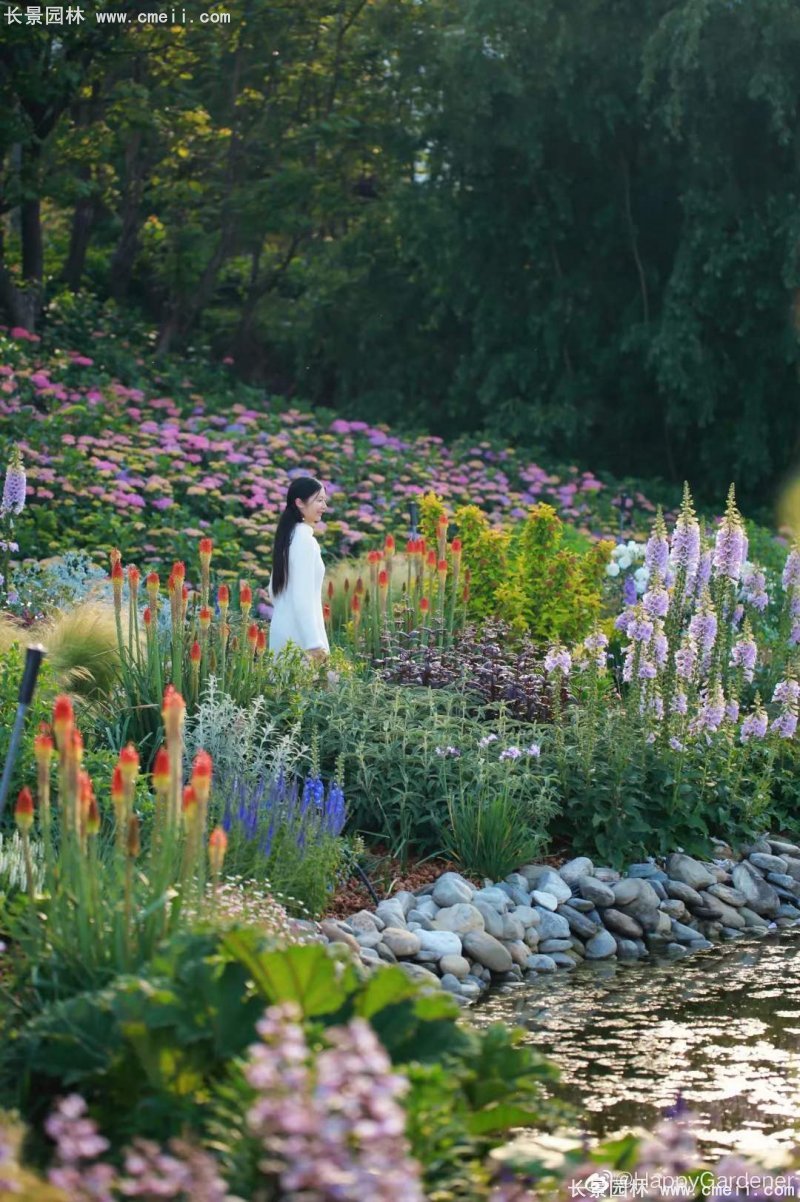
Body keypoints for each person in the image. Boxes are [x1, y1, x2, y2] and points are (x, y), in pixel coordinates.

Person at [268, 477, 330, 662]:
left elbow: (273, 591)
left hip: (282, 629)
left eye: (324, 500)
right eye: (319, 500)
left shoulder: (289, 537)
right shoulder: (304, 541)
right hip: (301, 639)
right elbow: (302, 596)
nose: (324, 506)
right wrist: (314, 643)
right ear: (299, 503)